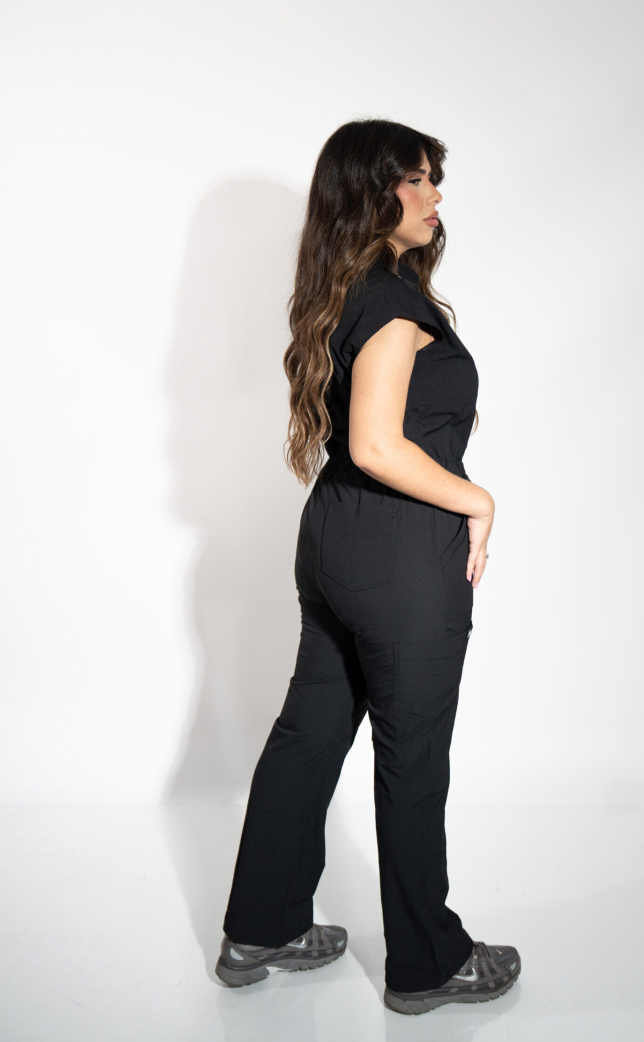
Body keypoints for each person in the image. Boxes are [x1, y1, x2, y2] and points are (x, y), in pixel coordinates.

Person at [214, 118, 521, 1015]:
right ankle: (428, 963)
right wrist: (478, 499)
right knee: (411, 755)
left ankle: (260, 926)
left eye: (431, 178)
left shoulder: (347, 290)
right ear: (369, 192)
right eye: (414, 179)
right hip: (399, 557)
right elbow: (377, 444)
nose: (433, 194)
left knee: (308, 735)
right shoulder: (390, 302)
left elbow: (358, 445)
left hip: (336, 542)